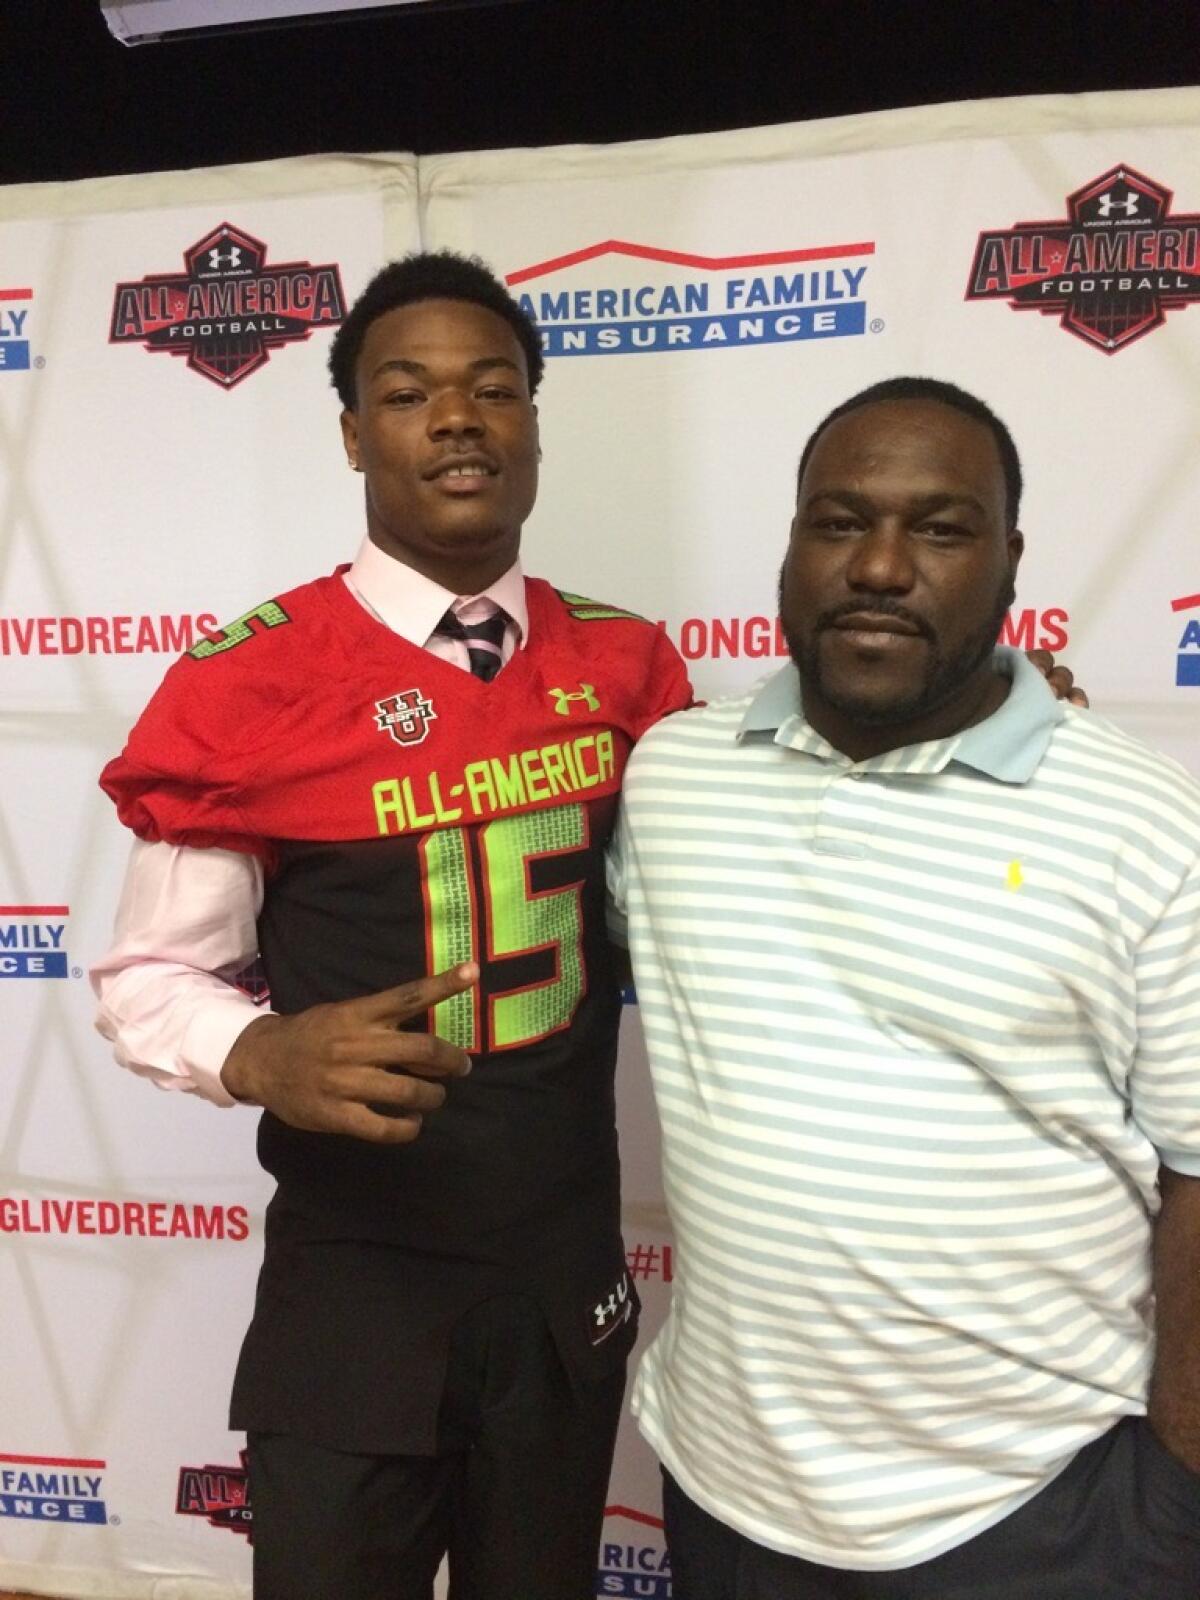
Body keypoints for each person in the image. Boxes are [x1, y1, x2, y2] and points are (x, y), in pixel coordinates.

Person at [92, 251, 693, 1600]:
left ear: (535, 420)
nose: (460, 418)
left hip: (560, 1271)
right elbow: (147, 977)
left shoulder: (628, 664)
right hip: (358, 1285)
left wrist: (982, 706)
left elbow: (757, 847)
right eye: (411, 392)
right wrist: (264, 1057)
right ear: (357, 432)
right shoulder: (251, 679)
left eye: (494, 389)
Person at [611, 377, 1200, 1599]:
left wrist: (1176, 1492)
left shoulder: (1147, 823)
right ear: (790, 545)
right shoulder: (674, 779)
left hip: (1038, 1514)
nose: (880, 566)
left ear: (1010, 559)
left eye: (940, 528)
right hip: (725, 1495)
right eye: (838, 521)